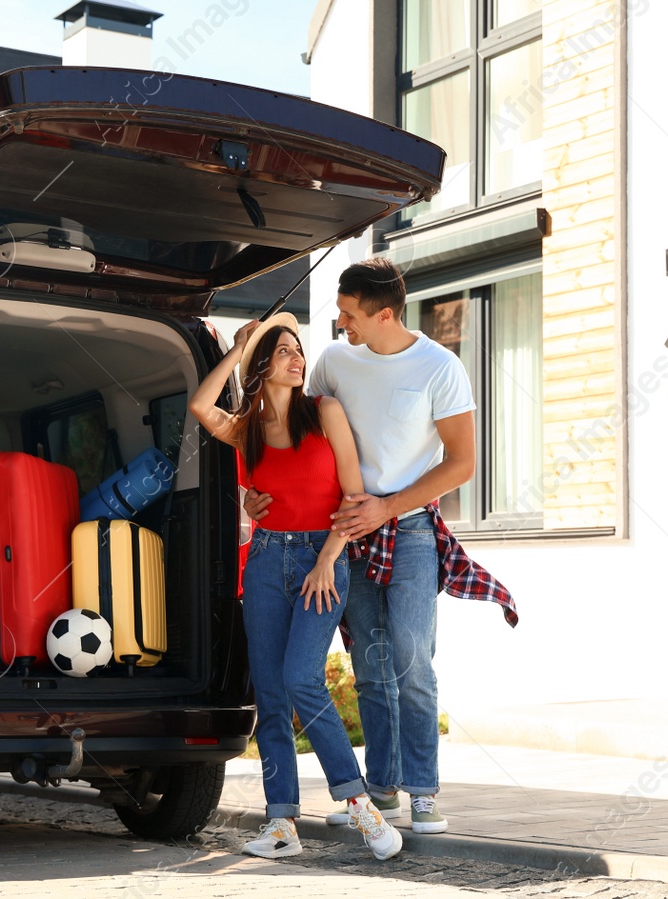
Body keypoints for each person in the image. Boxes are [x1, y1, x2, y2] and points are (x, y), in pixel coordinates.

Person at [244, 258, 517, 836]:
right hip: (344, 532)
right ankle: (382, 789)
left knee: (414, 659)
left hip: (410, 529)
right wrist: (258, 496)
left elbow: (463, 463)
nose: (339, 324)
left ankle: (422, 792)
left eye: (347, 314)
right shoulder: (334, 362)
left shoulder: (441, 367)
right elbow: (294, 430)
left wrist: (387, 507)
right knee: (369, 665)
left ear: (384, 313)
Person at [188, 312, 403, 862]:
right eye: (282, 351)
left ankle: (359, 805)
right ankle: (281, 822)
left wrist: (328, 560)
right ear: (263, 365)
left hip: (321, 557)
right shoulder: (249, 429)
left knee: (302, 678)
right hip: (264, 561)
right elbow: (199, 407)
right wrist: (237, 350)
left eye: (297, 349)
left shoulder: (324, 412)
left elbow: (354, 499)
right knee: (273, 693)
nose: (296, 357)